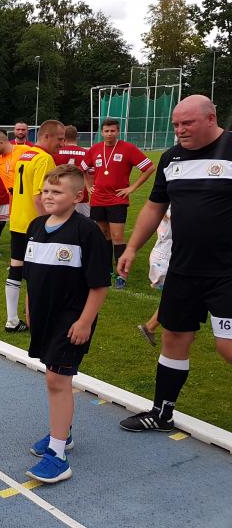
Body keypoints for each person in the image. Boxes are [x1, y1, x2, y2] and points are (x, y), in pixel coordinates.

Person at [117, 95, 232, 433]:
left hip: (227, 272)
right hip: (184, 268)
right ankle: (161, 412)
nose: (180, 130)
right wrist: (133, 247)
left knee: (227, 348)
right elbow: (155, 206)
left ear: (211, 118)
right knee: (174, 337)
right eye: (176, 125)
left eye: (187, 124)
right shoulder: (171, 158)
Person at [23, 165, 110, 483]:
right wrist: (29, 309)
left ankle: (58, 454)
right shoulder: (35, 226)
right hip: (43, 318)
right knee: (53, 376)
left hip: (72, 319)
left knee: (57, 381)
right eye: (46, 190)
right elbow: (30, 276)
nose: (48, 196)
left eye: (56, 192)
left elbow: (99, 285)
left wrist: (85, 321)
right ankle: (65, 433)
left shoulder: (86, 232)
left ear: (78, 196)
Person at [4, 120, 65, 333]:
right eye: (60, 139)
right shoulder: (44, 158)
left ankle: (12, 319)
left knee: (16, 268)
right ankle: (36, 319)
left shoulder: (25, 155)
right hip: (34, 223)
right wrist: (49, 225)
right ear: (47, 136)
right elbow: (40, 196)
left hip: (18, 220)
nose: (62, 143)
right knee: (38, 273)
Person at [81, 118, 154, 289]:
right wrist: (88, 186)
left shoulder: (128, 148)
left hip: (117, 199)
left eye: (112, 131)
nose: (109, 134)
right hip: (98, 199)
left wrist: (132, 188)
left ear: (118, 131)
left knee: (117, 237)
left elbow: (149, 167)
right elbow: (83, 168)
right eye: (106, 131)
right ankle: (106, 270)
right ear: (101, 132)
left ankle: (122, 275)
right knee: (102, 235)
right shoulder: (95, 149)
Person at [137, 207, 172, 347]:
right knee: (178, 296)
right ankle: (153, 327)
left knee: (181, 296)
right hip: (166, 257)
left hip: (166, 255)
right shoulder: (173, 205)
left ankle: (151, 327)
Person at [52, 125, 90, 217]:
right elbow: (91, 176)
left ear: (63, 137)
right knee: (83, 225)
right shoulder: (87, 153)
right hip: (81, 196)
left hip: (59, 195)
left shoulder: (55, 153)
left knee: (60, 224)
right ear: (77, 136)